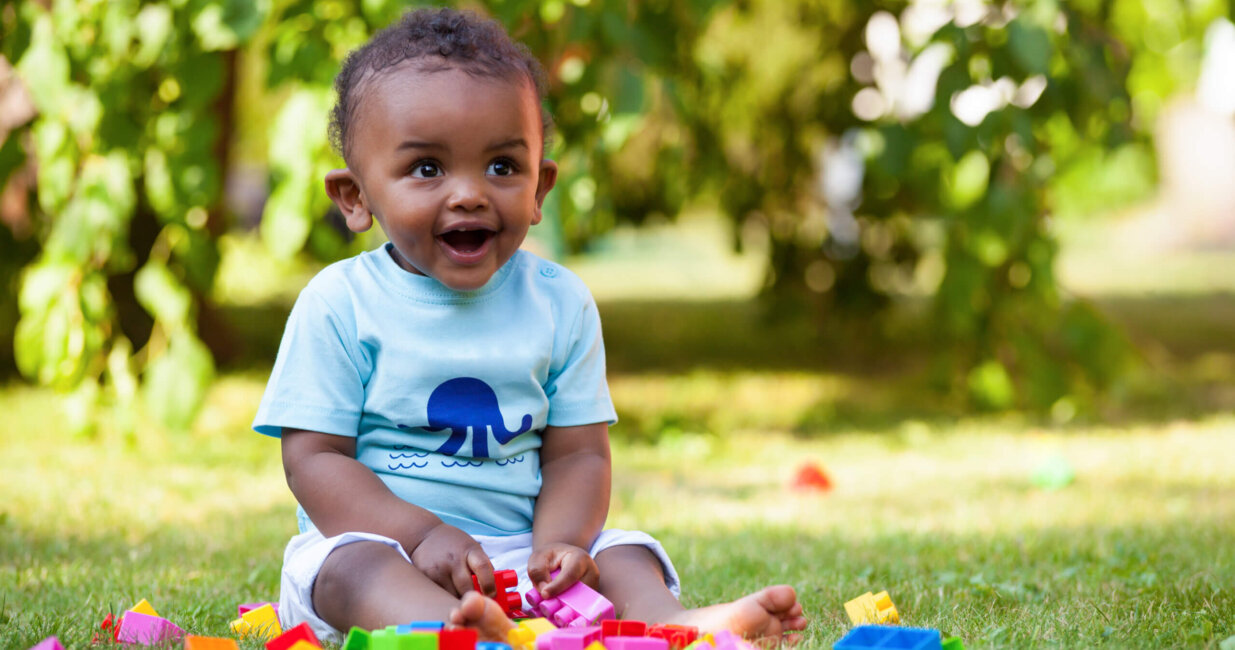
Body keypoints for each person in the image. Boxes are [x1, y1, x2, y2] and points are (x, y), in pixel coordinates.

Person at [253, 7, 808, 645]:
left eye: (501, 167)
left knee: (627, 552)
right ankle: (458, 633)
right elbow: (315, 460)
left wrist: (560, 546)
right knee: (350, 568)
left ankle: (677, 628)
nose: (469, 194)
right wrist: (422, 534)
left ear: (540, 187)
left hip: (521, 554)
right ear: (355, 197)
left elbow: (577, 454)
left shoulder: (559, 303)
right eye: (427, 169)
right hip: (389, 549)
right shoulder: (339, 303)